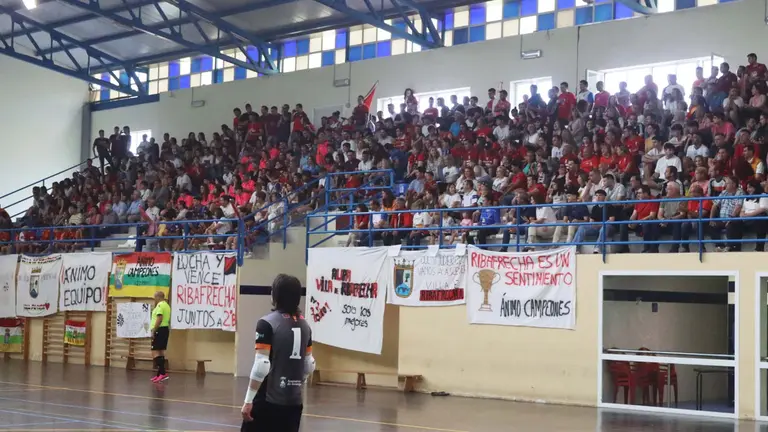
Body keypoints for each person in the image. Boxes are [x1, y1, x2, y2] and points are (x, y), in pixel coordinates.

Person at [241, 274, 313, 432]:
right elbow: (309, 365)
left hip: (268, 401)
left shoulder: (267, 323)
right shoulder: (306, 326)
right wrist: (296, 384)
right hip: (294, 403)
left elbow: (261, 365)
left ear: (276, 295)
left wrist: (248, 400)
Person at [150, 291, 171, 383]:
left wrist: (154, 330)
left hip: (160, 330)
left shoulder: (160, 306)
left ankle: (162, 372)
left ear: (158, 297)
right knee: (160, 351)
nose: (154, 300)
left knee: (154, 351)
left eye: (155, 298)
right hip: (165, 329)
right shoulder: (167, 305)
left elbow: (159, 318)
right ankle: (160, 374)